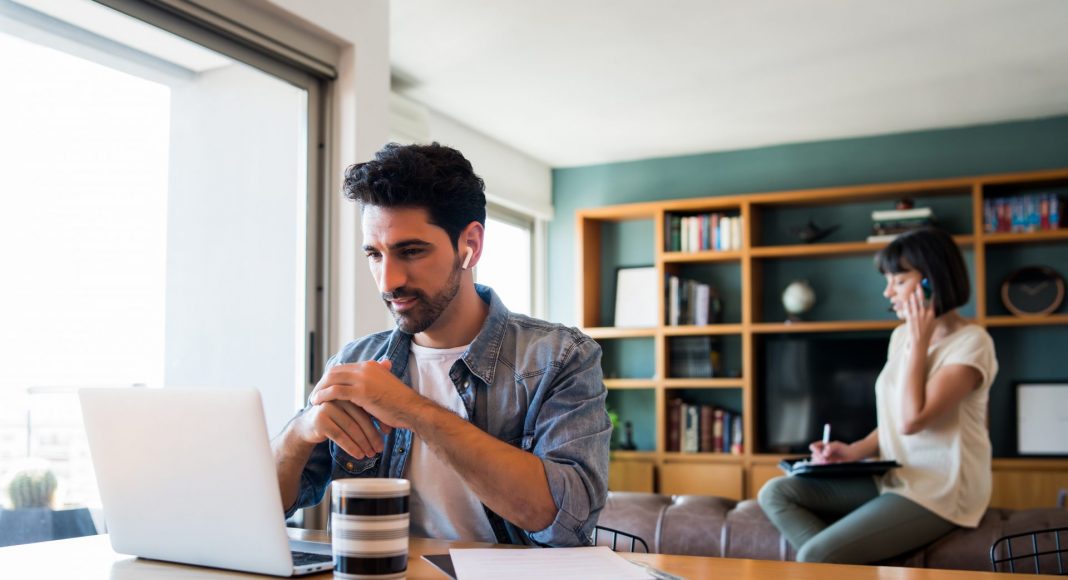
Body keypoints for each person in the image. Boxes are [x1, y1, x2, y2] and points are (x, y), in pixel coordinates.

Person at [271, 142, 611, 548]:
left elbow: (563, 520)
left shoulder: (560, 357)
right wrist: (300, 432)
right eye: (374, 255)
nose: (387, 281)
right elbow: (263, 507)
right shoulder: (356, 361)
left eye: (410, 251)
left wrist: (410, 409)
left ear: (471, 245)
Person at [758, 227, 998, 564]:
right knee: (776, 493)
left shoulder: (972, 343)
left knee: (816, 555)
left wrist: (918, 342)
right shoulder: (901, 337)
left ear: (931, 281)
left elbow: (912, 419)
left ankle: (834, 563)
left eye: (898, 282)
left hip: (941, 489)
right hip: (895, 476)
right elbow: (892, 420)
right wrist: (854, 451)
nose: (888, 292)